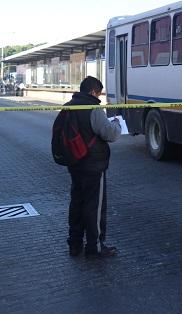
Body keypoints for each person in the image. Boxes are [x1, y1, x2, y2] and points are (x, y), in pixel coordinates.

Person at [61, 76, 121, 258]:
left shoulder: (68, 106)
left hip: (74, 163)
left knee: (77, 203)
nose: (100, 97)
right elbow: (110, 134)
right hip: (93, 165)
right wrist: (116, 123)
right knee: (94, 206)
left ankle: (75, 243)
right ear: (93, 91)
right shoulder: (93, 109)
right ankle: (94, 247)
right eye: (99, 93)